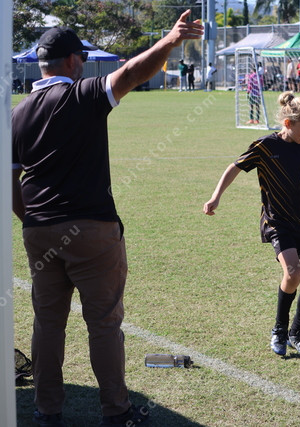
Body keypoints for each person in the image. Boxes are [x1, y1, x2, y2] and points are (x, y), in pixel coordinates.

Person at [11, 12, 203, 427]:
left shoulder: (17, 113)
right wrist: (170, 40)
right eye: (81, 58)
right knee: (103, 324)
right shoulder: (81, 95)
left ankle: (46, 410)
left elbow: (11, 184)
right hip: (90, 229)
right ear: (72, 61)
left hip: (38, 230)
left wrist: (34, 221)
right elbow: (131, 73)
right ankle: (116, 411)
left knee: (47, 324)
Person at [203, 92, 300, 357]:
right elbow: (234, 167)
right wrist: (216, 197)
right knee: (293, 273)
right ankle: (279, 331)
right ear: (288, 123)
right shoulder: (266, 146)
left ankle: (297, 334)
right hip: (277, 221)